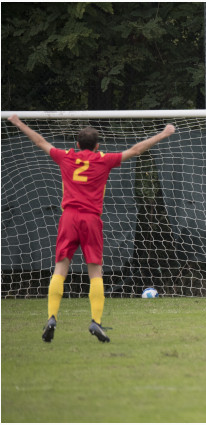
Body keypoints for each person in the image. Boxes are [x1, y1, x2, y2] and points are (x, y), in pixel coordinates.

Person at [7, 115, 175, 342]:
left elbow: (40, 142)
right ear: (97, 146)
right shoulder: (103, 159)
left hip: (68, 218)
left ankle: (52, 317)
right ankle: (95, 321)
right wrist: (164, 134)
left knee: (60, 268)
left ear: (76, 144)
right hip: (91, 219)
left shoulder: (66, 156)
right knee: (95, 271)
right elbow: (136, 150)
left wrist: (18, 123)